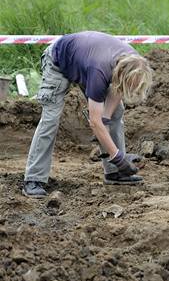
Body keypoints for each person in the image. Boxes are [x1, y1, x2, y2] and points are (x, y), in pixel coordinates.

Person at [22, 31, 153, 198]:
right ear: (120, 74)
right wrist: (118, 156)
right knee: (51, 118)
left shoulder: (134, 62)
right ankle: (33, 179)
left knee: (116, 112)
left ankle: (115, 172)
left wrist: (106, 118)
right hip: (58, 60)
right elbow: (95, 122)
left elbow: (120, 88)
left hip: (85, 60)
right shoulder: (99, 72)